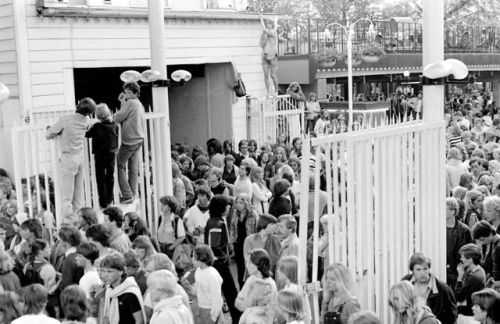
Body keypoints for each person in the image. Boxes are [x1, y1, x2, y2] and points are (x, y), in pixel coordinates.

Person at [46, 97, 96, 225]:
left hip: (68, 157)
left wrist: (50, 129)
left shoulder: (66, 119)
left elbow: (49, 134)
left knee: (67, 195)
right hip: (79, 157)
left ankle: (69, 221)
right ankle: (79, 220)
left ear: (78, 105)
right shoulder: (86, 120)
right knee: (78, 193)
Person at [205, 195, 241, 322]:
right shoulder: (217, 223)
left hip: (216, 263)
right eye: (227, 205)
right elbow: (214, 246)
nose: (229, 207)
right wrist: (225, 257)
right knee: (231, 292)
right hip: (219, 263)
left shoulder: (215, 220)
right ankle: (236, 319)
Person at [401, 252, 457, 324]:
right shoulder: (405, 282)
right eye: (418, 269)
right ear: (412, 270)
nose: (422, 273)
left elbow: (452, 316)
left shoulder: (443, 289)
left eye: (425, 269)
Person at [114, 81, 145, 204]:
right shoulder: (138, 103)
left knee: (120, 166)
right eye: (125, 92)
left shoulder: (131, 103)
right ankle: (133, 192)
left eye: (128, 92)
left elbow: (117, 117)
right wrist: (123, 102)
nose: (126, 94)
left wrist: (123, 103)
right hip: (138, 139)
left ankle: (127, 194)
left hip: (129, 140)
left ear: (135, 93)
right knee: (133, 167)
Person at [85, 103, 119, 209]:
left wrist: (89, 125)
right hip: (111, 153)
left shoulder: (97, 126)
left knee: (100, 178)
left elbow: (87, 134)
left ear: (97, 116)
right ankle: (110, 198)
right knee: (110, 177)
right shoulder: (115, 125)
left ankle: (103, 202)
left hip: (100, 155)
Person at [99, 253, 146, 324]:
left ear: (121, 272)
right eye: (103, 271)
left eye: (109, 271)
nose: (105, 275)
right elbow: (106, 316)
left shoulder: (131, 292)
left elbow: (139, 320)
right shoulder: (109, 290)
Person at [181, 245, 223, 324]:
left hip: (211, 311)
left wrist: (213, 318)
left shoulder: (212, 275)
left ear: (202, 258)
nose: (192, 259)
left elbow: (216, 299)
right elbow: (198, 291)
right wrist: (189, 286)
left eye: (195, 257)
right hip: (202, 309)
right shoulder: (198, 271)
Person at [229, 193, 258, 288]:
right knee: (240, 269)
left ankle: (251, 289)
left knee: (250, 268)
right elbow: (232, 227)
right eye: (237, 202)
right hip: (238, 244)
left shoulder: (253, 214)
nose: (238, 204)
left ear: (246, 203)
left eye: (241, 202)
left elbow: (257, 230)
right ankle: (242, 289)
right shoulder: (235, 213)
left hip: (250, 245)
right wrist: (232, 242)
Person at [446, 197, 473, 288]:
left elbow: (470, 250)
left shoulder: (464, 230)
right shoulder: (438, 229)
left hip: (458, 270)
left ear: (453, 211)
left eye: (445, 209)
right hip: (442, 268)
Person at [455, 243, 486, 316]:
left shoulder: (474, 277)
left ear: (470, 260)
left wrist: (459, 277)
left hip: (473, 311)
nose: (461, 259)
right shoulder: (478, 269)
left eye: (462, 257)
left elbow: (458, 296)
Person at [471, 221, 500, 290]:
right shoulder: (493, 243)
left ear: (490, 234)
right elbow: (487, 264)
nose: (481, 243)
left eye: (482, 240)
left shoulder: (498, 247)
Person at [259, 14, 279, 96]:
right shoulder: (264, 33)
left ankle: (276, 90)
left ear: (272, 25)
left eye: (269, 24)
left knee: (273, 75)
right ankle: (268, 92)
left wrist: (261, 19)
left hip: (272, 56)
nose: (267, 25)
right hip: (265, 55)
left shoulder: (273, 32)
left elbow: (268, 29)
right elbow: (261, 43)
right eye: (266, 24)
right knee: (266, 75)